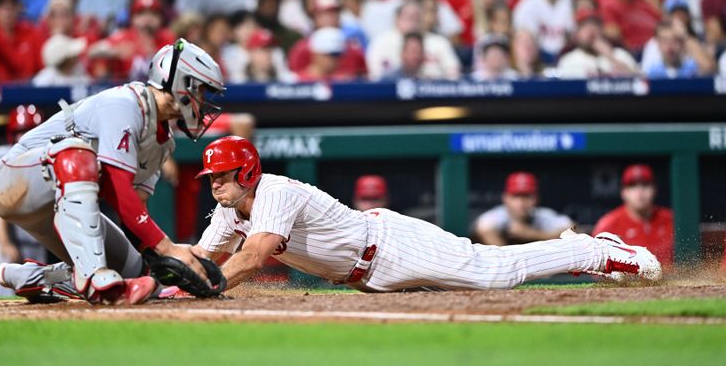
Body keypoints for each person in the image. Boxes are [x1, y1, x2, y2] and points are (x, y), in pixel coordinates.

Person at [190, 136, 661, 293]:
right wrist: (166, 283)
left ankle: (590, 251)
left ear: (247, 171)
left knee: (494, 274)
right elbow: (200, 258)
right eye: (211, 178)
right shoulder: (230, 210)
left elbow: (253, 257)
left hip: (389, 246)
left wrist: (204, 289)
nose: (215, 185)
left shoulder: (273, 191)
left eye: (223, 176)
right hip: (367, 276)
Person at [0, 39, 226, 305]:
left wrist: (164, 258)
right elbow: (118, 187)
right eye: (201, 90)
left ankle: (35, 277)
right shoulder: (125, 103)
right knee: (77, 156)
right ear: (183, 83)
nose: (204, 101)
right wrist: (167, 246)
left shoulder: (163, 143)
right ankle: (96, 281)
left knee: (139, 273)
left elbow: (134, 209)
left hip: (59, 205)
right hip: (14, 180)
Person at [0, 105, 48, 296]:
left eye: (31, 131)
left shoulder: (48, 159)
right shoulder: (0, 155)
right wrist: (5, 242)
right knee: (4, 261)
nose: (25, 137)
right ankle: (4, 312)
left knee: (40, 287)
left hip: (34, 245)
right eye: (21, 132)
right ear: (12, 135)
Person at [593, 164, 674, 268]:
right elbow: (596, 267)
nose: (640, 192)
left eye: (645, 185)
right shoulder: (608, 225)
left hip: (669, 277)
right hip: (628, 278)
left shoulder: (672, 220)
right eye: (632, 186)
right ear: (623, 192)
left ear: (654, 189)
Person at [474, 172, 574, 246]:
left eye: (526, 196)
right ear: (505, 198)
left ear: (536, 199)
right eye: (516, 196)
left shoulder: (541, 214)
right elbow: (483, 229)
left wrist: (533, 234)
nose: (521, 203)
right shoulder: (498, 215)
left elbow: (573, 229)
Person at [555, 10, 640, 79]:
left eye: (595, 25)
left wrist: (611, 57)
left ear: (602, 30)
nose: (591, 29)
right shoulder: (569, 60)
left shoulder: (620, 54)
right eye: (584, 26)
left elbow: (640, 83)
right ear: (577, 33)